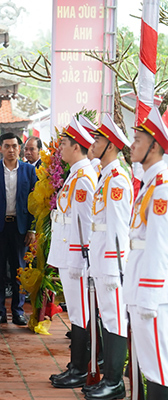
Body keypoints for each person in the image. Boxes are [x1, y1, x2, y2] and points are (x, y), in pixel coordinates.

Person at [82, 115, 132, 399]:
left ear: (111, 145)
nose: (93, 143)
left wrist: (112, 267)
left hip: (111, 264)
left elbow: (118, 229)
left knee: (114, 320)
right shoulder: (105, 177)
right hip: (101, 262)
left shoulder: (116, 180)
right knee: (107, 319)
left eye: (99, 140)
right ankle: (110, 379)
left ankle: (115, 382)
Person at [48, 117, 97, 388]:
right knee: (77, 314)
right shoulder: (76, 175)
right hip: (69, 254)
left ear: (77, 146)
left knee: (80, 314)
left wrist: (81, 258)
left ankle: (80, 369)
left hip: (77, 257)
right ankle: (75, 365)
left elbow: (88, 223)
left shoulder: (84, 178)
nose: (60, 150)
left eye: (64, 145)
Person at [124, 107, 168, 398]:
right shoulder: (150, 183)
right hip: (139, 284)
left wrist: (150, 295)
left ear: (155, 146)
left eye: (138, 140)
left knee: (158, 369)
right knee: (150, 365)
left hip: (152, 292)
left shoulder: (162, 188)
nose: (132, 145)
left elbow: (160, 244)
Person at [0, 133, 37, 326]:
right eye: (7, 146)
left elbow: (34, 202)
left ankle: (18, 310)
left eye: (14, 146)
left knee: (19, 271)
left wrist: (32, 229)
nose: (11, 150)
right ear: (0, 148)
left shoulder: (29, 171)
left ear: (19, 148)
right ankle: (0, 311)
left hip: (20, 227)